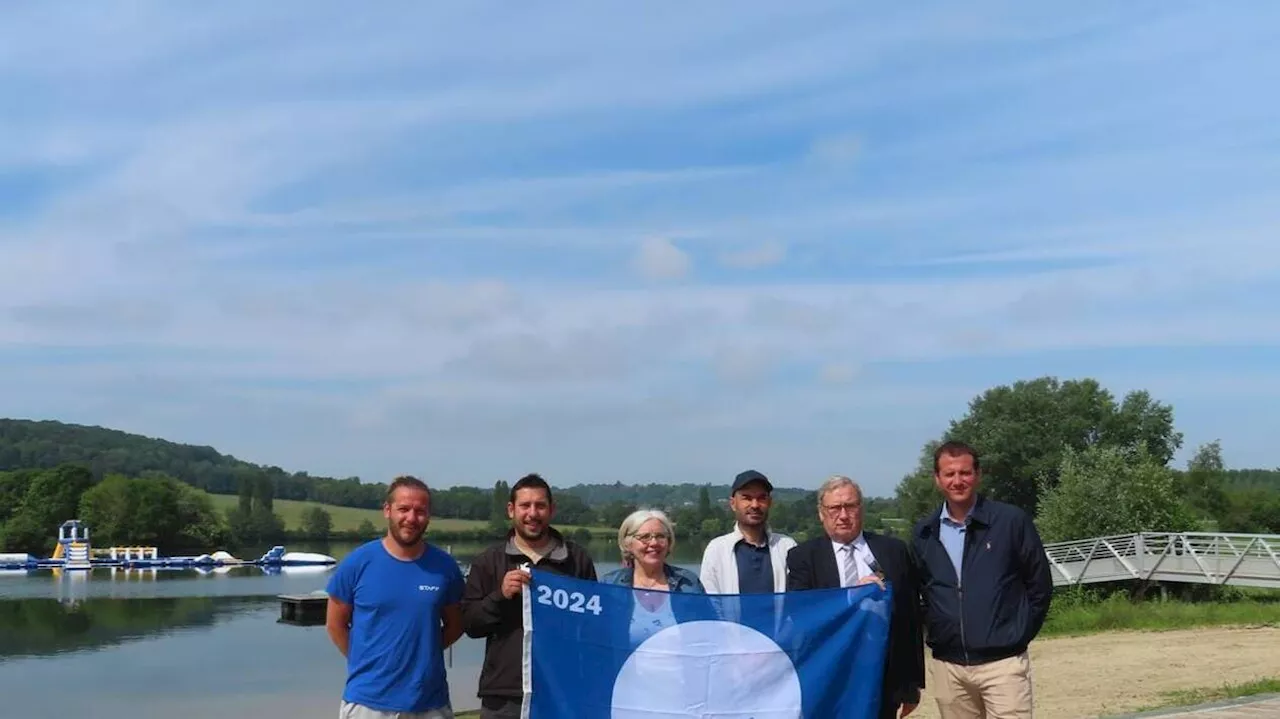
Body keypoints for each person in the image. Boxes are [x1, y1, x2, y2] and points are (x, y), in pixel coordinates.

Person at [910, 441, 1052, 719]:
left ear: (978, 475)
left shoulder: (1011, 521)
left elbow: (1040, 586)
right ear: (937, 479)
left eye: (964, 473)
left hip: (1003, 663)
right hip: (949, 667)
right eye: (949, 474)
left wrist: (1017, 633)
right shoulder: (924, 533)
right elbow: (921, 592)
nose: (957, 481)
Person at [325, 475, 465, 719]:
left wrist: (424, 651)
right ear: (387, 510)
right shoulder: (358, 563)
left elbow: (456, 624)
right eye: (404, 509)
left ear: (428, 516)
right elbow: (335, 624)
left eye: (420, 511)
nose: (411, 518)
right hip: (368, 703)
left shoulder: (445, 567)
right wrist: (366, 659)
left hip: (430, 702)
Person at [461, 473, 597, 719]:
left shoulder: (577, 560)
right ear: (511, 510)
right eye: (525, 505)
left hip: (561, 689)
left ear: (551, 510)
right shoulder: (488, 562)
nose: (532, 513)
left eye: (540, 506)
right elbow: (471, 625)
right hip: (504, 694)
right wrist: (499, 596)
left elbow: (593, 625)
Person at [786, 475, 924, 719]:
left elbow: (910, 617)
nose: (843, 515)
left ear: (861, 508)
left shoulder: (894, 551)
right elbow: (801, 617)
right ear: (821, 513)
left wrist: (911, 683)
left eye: (850, 506)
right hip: (829, 675)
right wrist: (852, 598)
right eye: (834, 508)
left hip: (883, 677)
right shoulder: (802, 558)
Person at [699, 469, 797, 594]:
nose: (755, 505)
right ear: (733, 504)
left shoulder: (787, 547)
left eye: (761, 498)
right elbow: (710, 602)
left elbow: (796, 600)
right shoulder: (717, 549)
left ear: (770, 503)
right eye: (747, 498)